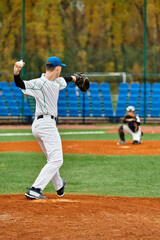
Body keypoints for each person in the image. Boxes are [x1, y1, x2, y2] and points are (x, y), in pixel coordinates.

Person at [13, 56, 78, 200]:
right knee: (57, 160)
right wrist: (16, 73)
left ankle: (59, 186)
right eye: (61, 68)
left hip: (40, 125)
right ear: (58, 68)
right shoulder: (39, 83)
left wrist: (74, 78)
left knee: (51, 158)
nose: (61, 71)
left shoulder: (57, 81)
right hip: (46, 125)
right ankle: (35, 189)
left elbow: (66, 79)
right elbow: (21, 84)